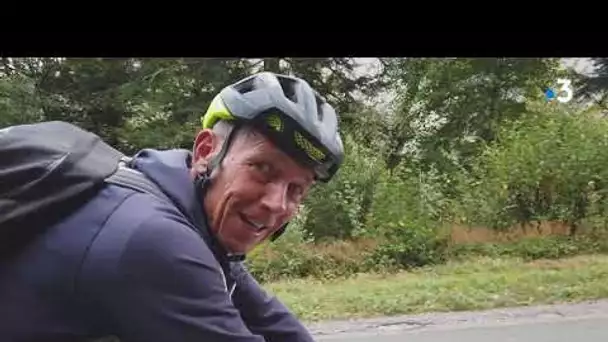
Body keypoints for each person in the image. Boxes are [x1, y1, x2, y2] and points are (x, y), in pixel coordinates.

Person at [0, 72, 344, 342]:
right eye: (262, 168)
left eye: (296, 190)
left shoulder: (186, 210)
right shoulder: (155, 240)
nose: (275, 203)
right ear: (206, 150)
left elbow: (270, 319)